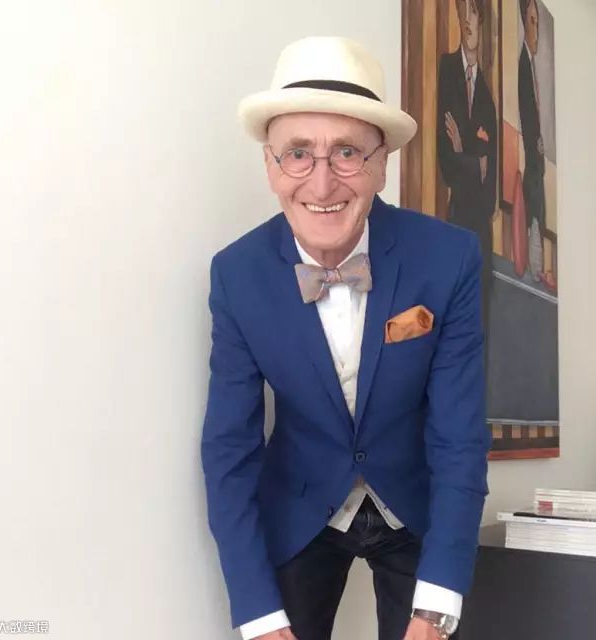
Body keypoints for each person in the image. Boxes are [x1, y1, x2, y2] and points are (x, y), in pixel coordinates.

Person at [201, 36, 491, 640]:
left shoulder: (448, 259)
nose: (322, 183)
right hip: (300, 505)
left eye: (348, 152)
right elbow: (230, 450)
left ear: (382, 163)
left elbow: (459, 437)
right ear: (270, 166)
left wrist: (438, 606)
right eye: (297, 153)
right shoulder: (236, 275)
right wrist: (257, 615)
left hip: (416, 506)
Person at [437, 0, 497, 355]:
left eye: (473, 12)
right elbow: (447, 162)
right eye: (463, 12)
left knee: (481, 328)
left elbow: (490, 184)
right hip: (457, 216)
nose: (467, 20)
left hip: (481, 228)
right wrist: (473, 161)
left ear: (483, 22)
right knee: (453, 328)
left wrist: (464, 152)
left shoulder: (487, 95)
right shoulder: (446, 69)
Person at [518, 0, 547, 283]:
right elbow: (526, 111)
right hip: (532, 157)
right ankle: (534, 266)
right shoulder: (523, 65)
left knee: (539, 211)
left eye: (537, 23)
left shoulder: (530, 64)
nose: (536, 30)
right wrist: (534, 141)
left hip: (536, 159)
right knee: (534, 213)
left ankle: (537, 267)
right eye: (532, 22)